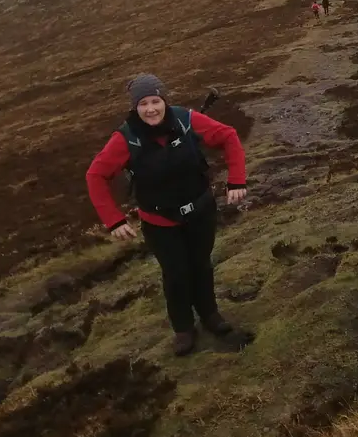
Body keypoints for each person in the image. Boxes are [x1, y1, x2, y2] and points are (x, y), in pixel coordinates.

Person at [86, 74, 249, 356]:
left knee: (201, 265)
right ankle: (183, 328)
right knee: (176, 274)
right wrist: (114, 220)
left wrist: (237, 180)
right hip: (160, 223)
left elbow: (228, 135)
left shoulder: (185, 119)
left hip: (200, 211)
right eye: (143, 103)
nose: (151, 109)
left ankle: (210, 315)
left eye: (155, 101)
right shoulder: (126, 138)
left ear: (164, 101)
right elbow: (95, 175)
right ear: (135, 107)